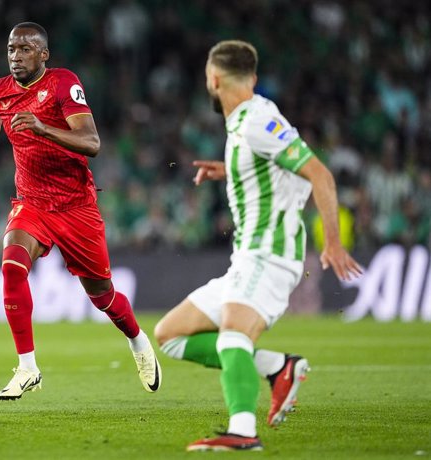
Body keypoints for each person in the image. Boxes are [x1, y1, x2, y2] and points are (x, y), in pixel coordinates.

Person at [153, 40, 363, 451]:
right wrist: (229, 171)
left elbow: (319, 175)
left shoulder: (256, 121)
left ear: (213, 79)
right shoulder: (246, 123)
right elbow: (280, 175)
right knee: (171, 334)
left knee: (233, 333)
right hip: (245, 259)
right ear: (251, 77)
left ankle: (243, 431)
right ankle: (277, 367)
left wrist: (333, 243)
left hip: (269, 257)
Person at [0, 22, 161, 400]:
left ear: (43, 54)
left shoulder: (61, 84)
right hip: (32, 202)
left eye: (25, 50)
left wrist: (42, 128)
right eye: (11, 49)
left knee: (103, 296)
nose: (15, 56)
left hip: (76, 206)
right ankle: (27, 367)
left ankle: (137, 339)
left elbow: (91, 142)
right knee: (11, 264)